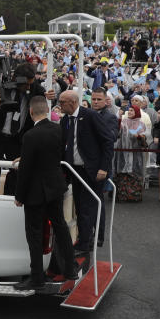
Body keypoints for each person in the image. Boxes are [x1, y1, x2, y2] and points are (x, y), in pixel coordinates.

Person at [13, 96, 78, 289]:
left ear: (31, 112)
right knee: (61, 227)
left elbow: (25, 170)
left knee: (34, 234)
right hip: (55, 186)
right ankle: (70, 268)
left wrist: (19, 195)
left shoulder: (31, 136)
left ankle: (37, 278)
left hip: (35, 191)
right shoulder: (57, 129)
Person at [58, 89, 114, 254]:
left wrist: (104, 167)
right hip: (74, 170)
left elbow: (108, 141)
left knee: (88, 207)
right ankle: (86, 239)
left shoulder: (91, 116)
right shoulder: (65, 120)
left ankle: (85, 243)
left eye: (62, 102)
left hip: (93, 170)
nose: (59, 105)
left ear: (73, 102)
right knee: (81, 206)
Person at [0, 62, 45, 195]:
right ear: (16, 79)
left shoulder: (34, 87)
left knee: (17, 173)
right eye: (26, 84)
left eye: (30, 84)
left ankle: (11, 204)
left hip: (17, 140)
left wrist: (49, 96)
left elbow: (44, 98)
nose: (28, 87)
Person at [114, 105, 148, 202]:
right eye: (129, 110)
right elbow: (117, 133)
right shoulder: (123, 122)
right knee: (122, 173)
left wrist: (139, 137)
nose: (129, 112)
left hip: (135, 154)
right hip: (122, 152)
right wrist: (119, 119)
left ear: (137, 112)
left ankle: (134, 196)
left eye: (132, 110)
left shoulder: (141, 124)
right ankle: (122, 196)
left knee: (134, 173)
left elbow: (144, 139)